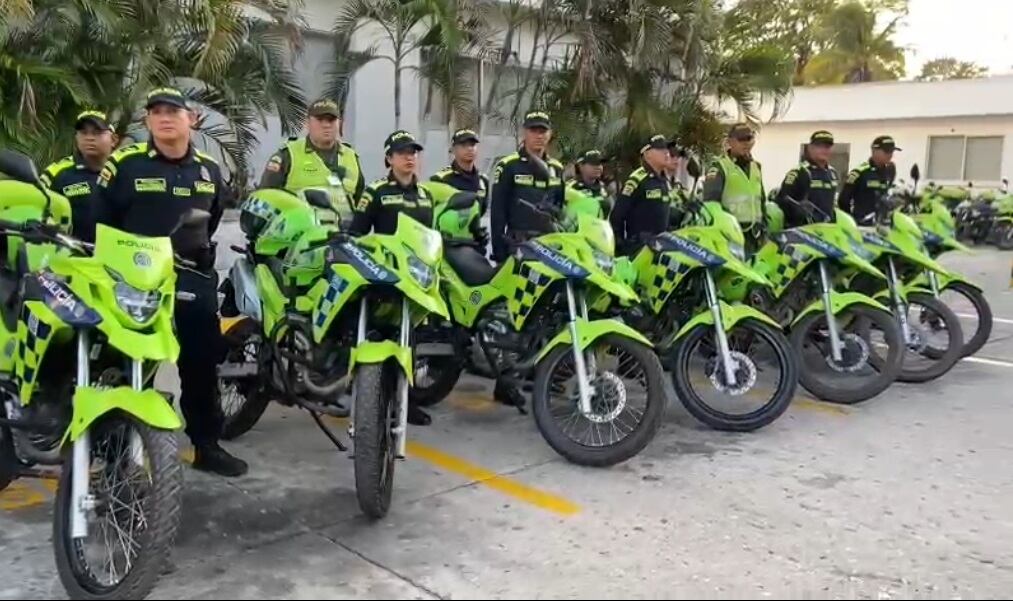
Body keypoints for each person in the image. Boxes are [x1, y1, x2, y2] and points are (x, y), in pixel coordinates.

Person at [92, 87, 246, 477]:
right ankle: (114, 455)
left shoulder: (209, 170)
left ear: (190, 119)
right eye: (156, 111)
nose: (164, 117)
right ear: (148, 121)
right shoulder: (123, 166)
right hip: (133, 279)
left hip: (192, 275)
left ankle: (206, 445)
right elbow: (99, 223)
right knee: (125, 360)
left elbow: (210, 222)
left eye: (173, 111)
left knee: (201, 360)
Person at [349, 130, 436, 426]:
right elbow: (356, 234)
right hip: (383, 278)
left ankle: (404, 401)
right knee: (376, 332)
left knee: (410, 340)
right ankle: (366, 393)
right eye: (402, 153)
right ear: (389, 159)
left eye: (413, 152)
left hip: (417, 280)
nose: (410, 157)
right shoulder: (376, 192)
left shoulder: (426, 196)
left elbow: (431, 240)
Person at [260, 98, 364, 223]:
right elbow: (265, 198)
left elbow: (360, 204)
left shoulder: (351, 156)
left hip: (343, 236)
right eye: (320, 120)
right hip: (299, 236)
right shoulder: (288, 155)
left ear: (339, 123)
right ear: (307, 124)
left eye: (331, 120)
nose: (326, 125)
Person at [489, 110, 565, 263]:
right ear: (524, 133)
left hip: (550, 244)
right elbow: (497, 211)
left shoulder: (556, 168)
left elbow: (560, 207)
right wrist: (499, 250)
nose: (539, 136)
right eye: (533, 131)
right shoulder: (508, 165)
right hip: (519, 244)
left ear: (550, 134)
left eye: (543, 131)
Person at [40, 111, 118, 242]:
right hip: (71, 255)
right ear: (76, 138)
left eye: (97, 132)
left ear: (114, 140)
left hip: (120, 254)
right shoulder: (56, 172)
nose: (89, 138)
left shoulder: (126, 170)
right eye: (83, 133)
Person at [704, 123, 766, 252]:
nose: (746, 143)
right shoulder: (720, 167)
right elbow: (710, 204)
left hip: (755, 234)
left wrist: (765, 226)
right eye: (741, 140)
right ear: (730, 142)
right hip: (730, 233)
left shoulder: (756, 167)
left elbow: (761, 200)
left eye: (749, 139)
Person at [609, 134, 673, 256]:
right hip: (639, 248)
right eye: (660, 149)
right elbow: (617, 215)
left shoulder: (663, 180)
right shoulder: (637, 180)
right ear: (647, 155)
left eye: (666, 148)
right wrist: (620, 244)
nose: (666, 152)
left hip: (660, 246)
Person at [430, 128, 490, 248]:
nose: (469, 149)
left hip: (474, 245)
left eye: (472, 145)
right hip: (447, 246)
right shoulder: (441, 179)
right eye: (464, 145)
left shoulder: (483, 180)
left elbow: (480, 211)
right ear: (453, 149)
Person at [776, 130, 840, 227]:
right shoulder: (800, 172)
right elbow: (782, 199)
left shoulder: (833, 173)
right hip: (804, 230)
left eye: (827, 147)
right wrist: (798, 210)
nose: (824, 150)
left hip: (827, 229)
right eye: (819, 146)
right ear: (810, 148)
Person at [839, 135, 899, 225]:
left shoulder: (889, 172)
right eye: (886, 151)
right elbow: (843, 200)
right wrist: (851, 221)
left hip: (882, 224)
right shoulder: (860, 172)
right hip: (862, 224)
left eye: (891, 151)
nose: (890, 155)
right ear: (874, 151)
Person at [566, 149, 611, 218]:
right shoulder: (570, 187)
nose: (598, 167)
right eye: (593, 163)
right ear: (580, 166)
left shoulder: (604, 188)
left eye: (600, 163)